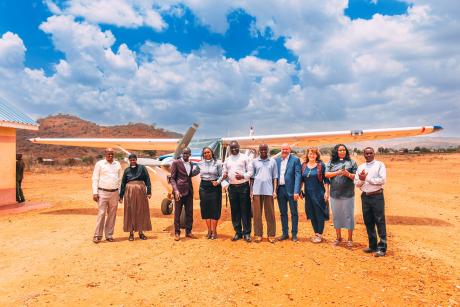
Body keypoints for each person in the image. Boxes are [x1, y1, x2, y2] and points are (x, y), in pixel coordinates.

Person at [354, 147, 387, 257]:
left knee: (379, 221)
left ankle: (382, 248)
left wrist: (366, 179)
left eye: (370, 153)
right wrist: (362, 180)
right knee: (368, 221)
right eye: (366, 153)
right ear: (363, 154)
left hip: (377, 196)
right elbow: (357, 183)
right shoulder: (361, 167)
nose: (368, 155)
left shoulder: (380, 165)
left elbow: (382, 180)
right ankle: (372, 246)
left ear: (374, 153)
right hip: (365, 197)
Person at [325, 144, 358, 248]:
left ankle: (350, 239)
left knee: (349, 216)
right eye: (340, 150)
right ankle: (338, 237)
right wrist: (338, 172)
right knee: (336, 216)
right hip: (335, 194)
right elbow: (326, 174)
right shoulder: (331, 162)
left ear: (346, 151)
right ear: (336, 152)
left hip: (348, 194)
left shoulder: (351, 162)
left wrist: (347, 174)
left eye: (344, 150)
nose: (342, 152)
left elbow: (356, 177)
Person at [223, 141, 254, 242]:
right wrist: (225, 181)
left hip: (244, 187)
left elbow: (250, 172)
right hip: (232, 188)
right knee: (235, 211)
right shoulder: (227, 160)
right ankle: (238, 232)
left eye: (235, 147)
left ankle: (247, 233)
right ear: (229, 149)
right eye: (232, 148)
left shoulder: (245, 158)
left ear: (239, 147)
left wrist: (243, 176)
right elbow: (224, 172)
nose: (234, 149)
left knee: (245, 210)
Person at [92, 148, 123, 243]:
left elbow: (120, 180)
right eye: (109, 154)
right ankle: (97, 235)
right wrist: (95, 192)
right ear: (105, 154)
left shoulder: (117, 164)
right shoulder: (100, 164)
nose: (110, 156)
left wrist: (120, 194)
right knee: (101, 214)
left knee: (112, 215)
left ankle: (109, 235)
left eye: (112, 154)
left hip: (114, 193)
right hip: (102, 192)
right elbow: (95, 178)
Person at [119, 154, 152, 241]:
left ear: (136, 160)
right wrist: (121, 196)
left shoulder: (142, 168)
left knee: (140, 210)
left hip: (141, 191)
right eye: (131, 160)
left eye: (134, 159)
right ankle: (131, 233)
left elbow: (147, 180)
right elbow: (123, 183)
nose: (133, 161)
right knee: (130, 211)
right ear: (129, 161)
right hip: (129, 192)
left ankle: (141, 233)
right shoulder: (126, 170)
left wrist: (149, 192)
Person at [170, 147, 200, 241]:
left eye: (188, 153)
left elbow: (190, 175)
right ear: (182, 154)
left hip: (189, 192)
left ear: (190, 154)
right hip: (179, 192)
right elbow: (172, 178)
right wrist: (176, 191)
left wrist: (198, 170)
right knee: (177, 213)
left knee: (189, 213)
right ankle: (177, 233)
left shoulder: (191, 164)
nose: (186, 155)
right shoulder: (176, 163)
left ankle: (188, 232)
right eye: (184, 153)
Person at [300, 148, 330, 243]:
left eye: (314, 154)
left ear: (317, 155)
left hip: (319, 193)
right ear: (307, 155)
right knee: (311, 213)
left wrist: (327, 192)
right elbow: (301, 179)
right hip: (308, 194)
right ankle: (316, 233)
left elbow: (326, 180)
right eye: (310, 154)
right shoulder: (304, 165)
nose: (312, 155)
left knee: (319, 213)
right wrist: (300, 190)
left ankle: (319, 234)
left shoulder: (321, 166)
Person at [250, 144, 278, 243]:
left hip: (269, 191)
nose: (263, 151)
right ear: (259, 150)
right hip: (256, 191)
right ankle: (258, 234)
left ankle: (271, 234)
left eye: (265, 149)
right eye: (261, 149)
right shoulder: (254, 162)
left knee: (270, 214)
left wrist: (274, 191)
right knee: (257, 214)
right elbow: (252, 178)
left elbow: (275, 177)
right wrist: (251, 191)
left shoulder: (272, 161)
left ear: (267, 150)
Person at [275, 144, 302, 241]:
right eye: (283, 149)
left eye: (286, 149)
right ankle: (285, 233)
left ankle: (294, 234)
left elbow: (298, 176)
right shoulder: (277, 160)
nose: (284, 150)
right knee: (283, 213)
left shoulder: (295, 160)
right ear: (280, 150)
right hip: (280, 190)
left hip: (291, 190)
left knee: (294, 212)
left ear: (289, 150)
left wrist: (296, 191)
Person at [198, 147, 223, 240]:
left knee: (214, 208)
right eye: (204, 153)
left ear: (212, 153)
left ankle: (214, 231)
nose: (206, 154)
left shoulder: (218, 163)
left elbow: (222, 174)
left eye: (208, 152)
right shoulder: (200, 163)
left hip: (214, 186)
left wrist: (218, 182)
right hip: (203, 186)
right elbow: (192, 171)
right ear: (203, 154)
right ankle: (209, 230)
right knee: (205, 208)